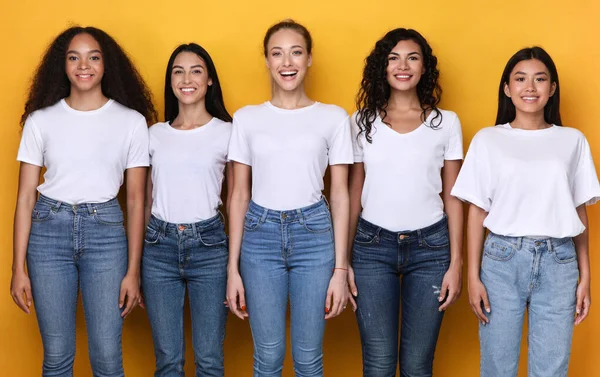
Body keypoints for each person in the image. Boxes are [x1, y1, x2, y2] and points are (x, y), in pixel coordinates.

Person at [10, 26, 156, 376]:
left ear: (107, 65)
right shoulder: (40, 120)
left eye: (93, 57)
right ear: (62, 65)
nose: (83, 65)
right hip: (48, 234)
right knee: (57, 356)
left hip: (106, 235)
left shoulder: (131, 122)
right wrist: (17, 269)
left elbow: (136, 201)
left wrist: (133, 271)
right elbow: (26, 197)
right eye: (73, 57)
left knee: (106, 355)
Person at [451, 46, 599, 377]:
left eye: (539, 79)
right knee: (497, 366)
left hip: (559, 263)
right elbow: (476, 212)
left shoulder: (572, 141)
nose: (530, 87)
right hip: (502, 259)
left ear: (552, 88)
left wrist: (585, 275)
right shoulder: (488, 140)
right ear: (507, 88)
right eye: (520, 79)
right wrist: (473, 276)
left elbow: (578, 212)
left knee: (551, 368)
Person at [226, 19, 354, 377]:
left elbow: (341, 195)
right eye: (277, 53)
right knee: (266, 358)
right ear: (266, 60)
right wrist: (232, 268)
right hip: (259, 236)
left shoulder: (333, 118)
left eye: (296, 52)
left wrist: (340, 269)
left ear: (309, 59)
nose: (287, 62)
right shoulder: (247, 119)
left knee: (308, 359)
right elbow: (238, 194)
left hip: (314, 235)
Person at [349, 28, 464, 377]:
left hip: (431, 247)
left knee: (417, 365)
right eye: (393, 58)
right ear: (382, 67)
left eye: (412, 57)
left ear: (424, 67)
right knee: (379, 363)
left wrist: (456, 263)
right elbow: (354, 192)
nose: (403, 65)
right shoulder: (361, 122)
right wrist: (343, 261)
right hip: (371, 247)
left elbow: (454, 196)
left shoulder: (446, 123)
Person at [142, 43, 233, 377]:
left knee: (209, 359)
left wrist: (236, 265)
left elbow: (238, 199)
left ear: (209, 80)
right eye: (178, 71)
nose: (187, 78)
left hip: (209, 247)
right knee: (168, 360)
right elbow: (145, 199)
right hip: (158, 246)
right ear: (170, 81)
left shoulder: (227, 132)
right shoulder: (154, 135)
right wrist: (134, 263)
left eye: (196, 70)